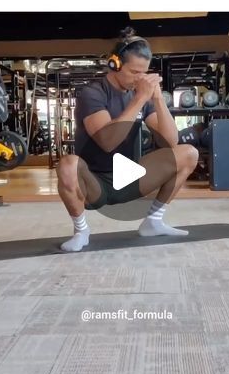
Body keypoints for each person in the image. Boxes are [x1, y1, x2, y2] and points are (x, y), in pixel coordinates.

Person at [57, 27, 199, 252]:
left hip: (130, 176)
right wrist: (140, 98)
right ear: (114, 64)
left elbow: (171, 142)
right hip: (95, 184)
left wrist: (157, 99)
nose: (139, 79)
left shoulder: (142, 94)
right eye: (134, 72)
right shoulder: (92, 93)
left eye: (143, 73)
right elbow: (107, 142)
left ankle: (153, 221)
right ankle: (81, 231)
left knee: (188, 153)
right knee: (68, 164)